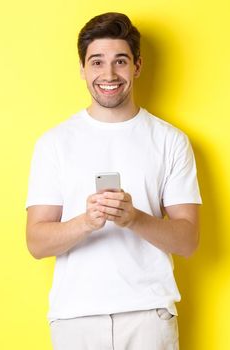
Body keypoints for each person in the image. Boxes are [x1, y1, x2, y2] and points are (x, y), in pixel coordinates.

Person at [25, 12, 200, 350]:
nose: (108, 74)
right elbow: (36, 242)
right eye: (97, 62)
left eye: (120, 61)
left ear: (137, 66)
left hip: (149, 314)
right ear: (82, 69)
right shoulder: (54, 143)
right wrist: (86, 221)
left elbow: (188, 239)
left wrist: (134, 218)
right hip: (75, 318)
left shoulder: (170, 141)